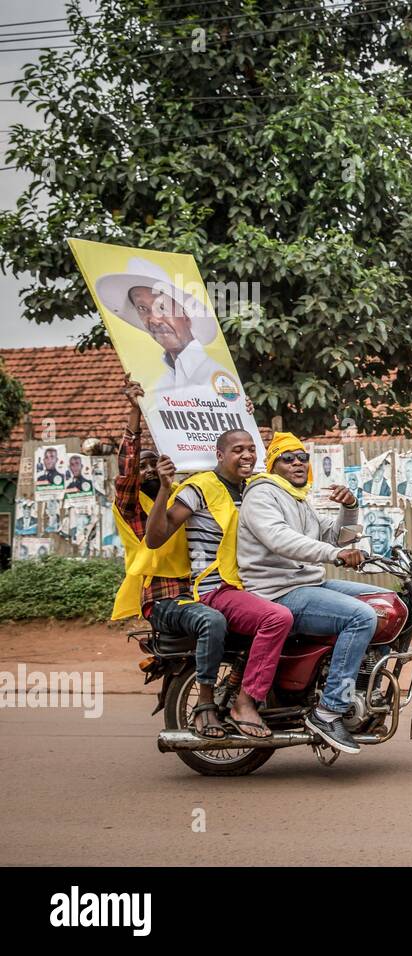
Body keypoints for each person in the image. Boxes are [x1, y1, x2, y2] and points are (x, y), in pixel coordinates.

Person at [145, 429, 294, 740]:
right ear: (220, 455)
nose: (248, 456)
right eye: (238, 450)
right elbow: (157, 537)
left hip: (256, 583)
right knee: (276, 618)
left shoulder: (255, 488)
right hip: (217, 586)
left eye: (252, 449)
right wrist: (164, 489)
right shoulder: (199, 488)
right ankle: (242, 702)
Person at [237, 432, 378, 754]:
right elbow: (280, 539)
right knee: (360, 616)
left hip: (307, 584)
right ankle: (328, 710)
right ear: (273, 464)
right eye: (288, 458)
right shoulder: (262, 495)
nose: (298, 462)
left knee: (382, 603)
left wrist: (351, 506)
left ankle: (367, 687)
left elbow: (336, 535)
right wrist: (333, 555)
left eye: (302, 457)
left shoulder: (299, 498)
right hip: (276, 591)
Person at [110, 377, 230, 740]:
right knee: (212, 622)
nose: (147, 470)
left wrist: (237, 425)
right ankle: (207, 704)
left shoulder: (185, 495)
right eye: (143, 466)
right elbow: (126, 472)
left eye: (154, 464)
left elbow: (221, 469)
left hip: (202, 587)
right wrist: (135, 412)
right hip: (164, 597)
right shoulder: (134, 506)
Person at [96, 257, 236, 392]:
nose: (154, 320)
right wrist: (139, 407)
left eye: (162, 307)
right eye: (142, 308)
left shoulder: (218, 378)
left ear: (186, 315)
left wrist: (242, 405)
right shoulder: (161, 385)